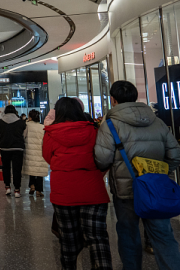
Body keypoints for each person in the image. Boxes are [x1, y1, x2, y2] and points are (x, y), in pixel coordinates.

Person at [95, 81, 180, 269]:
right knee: (163, 236)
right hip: (156, 189)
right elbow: (175, 155)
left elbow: (102, 159)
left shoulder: (109, 125)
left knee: (128, 234)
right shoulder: (157, 121)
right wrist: (158, 174)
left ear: (113, 100)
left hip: (126, 191)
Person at [44, 97, 112, 270]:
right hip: (93, 191)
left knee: (68, 241)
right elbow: (102, 156)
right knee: (98, 239)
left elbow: (48, 157)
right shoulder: (93, 131)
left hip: (64, 193)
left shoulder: (51, 132)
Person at [0, 105, 26, 197]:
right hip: (18, 148)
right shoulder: (21, 122)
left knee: (6, 168)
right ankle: (17, 190)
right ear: (15, 112)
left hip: (5, 148)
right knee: (17, 169)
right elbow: (24, 135)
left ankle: (7, 187)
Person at [23, 109, 48, 197]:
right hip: (40, 150)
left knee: (32, 169)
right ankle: (39, 191)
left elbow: (23, 136)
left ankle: (32, 185)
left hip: (29, 149)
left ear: (30, 117)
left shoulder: (27, 125)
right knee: (39, 170)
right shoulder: (42, 127)